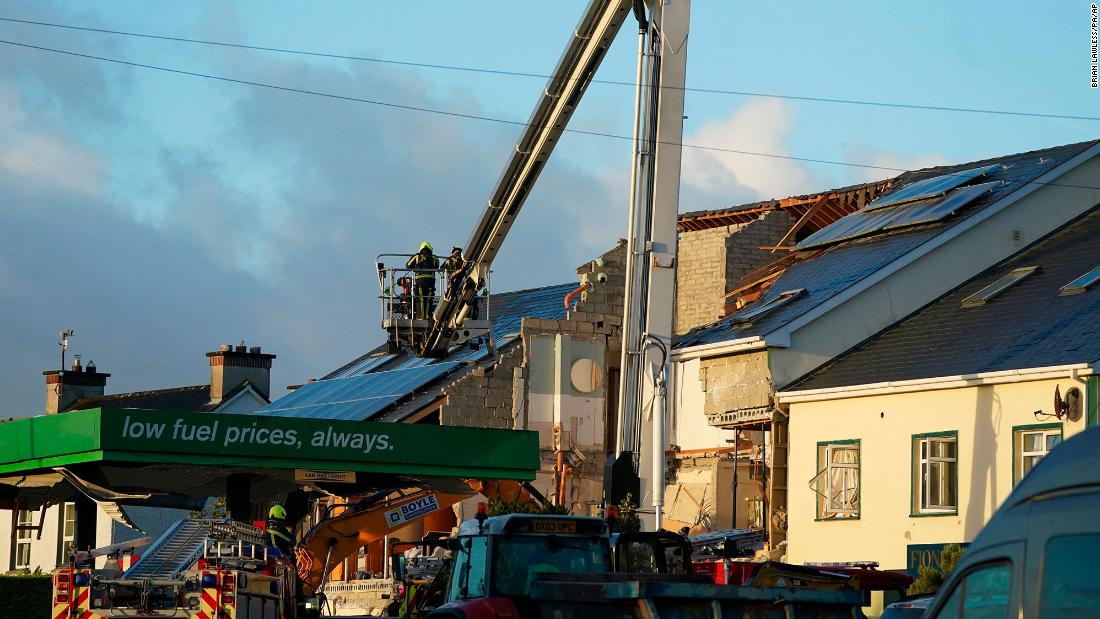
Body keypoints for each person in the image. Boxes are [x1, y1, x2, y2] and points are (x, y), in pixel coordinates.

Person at [406, 242, 440, 319]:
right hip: (431, 280)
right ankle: (428, 316)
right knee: (429, 298)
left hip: (420, 280)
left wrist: (416, 266)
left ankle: (421, 317)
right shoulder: (435, 258)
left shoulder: (417, 256)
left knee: (420, 298)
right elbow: (437, 266)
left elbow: (408, 265)